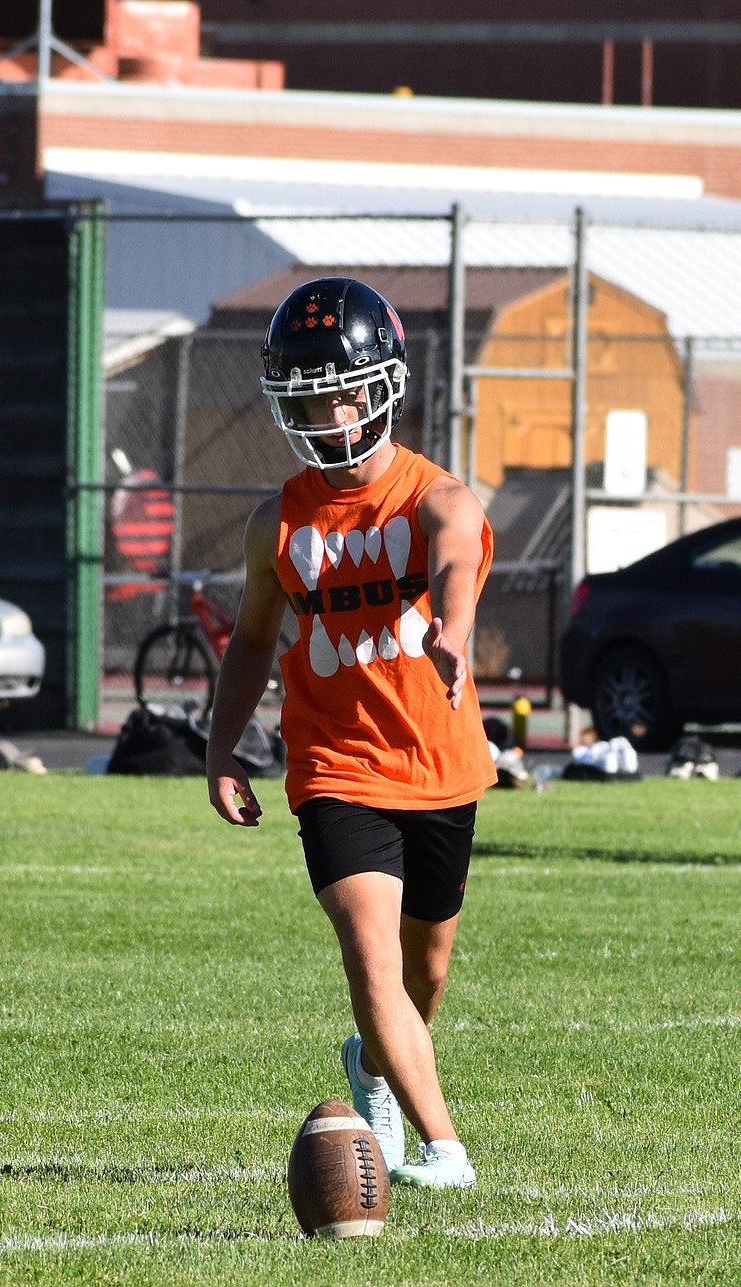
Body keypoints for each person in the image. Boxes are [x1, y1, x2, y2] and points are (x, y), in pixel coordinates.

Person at [205, 277, 497, 1188]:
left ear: (385, 386)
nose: (329, 420)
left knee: (426, 974)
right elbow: (254, 636)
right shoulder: (278, 522)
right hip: (335, 765)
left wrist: (453, 629)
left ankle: (371, 1061)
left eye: (343, 394)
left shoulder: (439, 497)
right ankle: (445, 1148)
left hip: (440, 764)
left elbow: (455, 561)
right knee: (368, 947)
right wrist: (221, 749)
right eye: (307, 403)